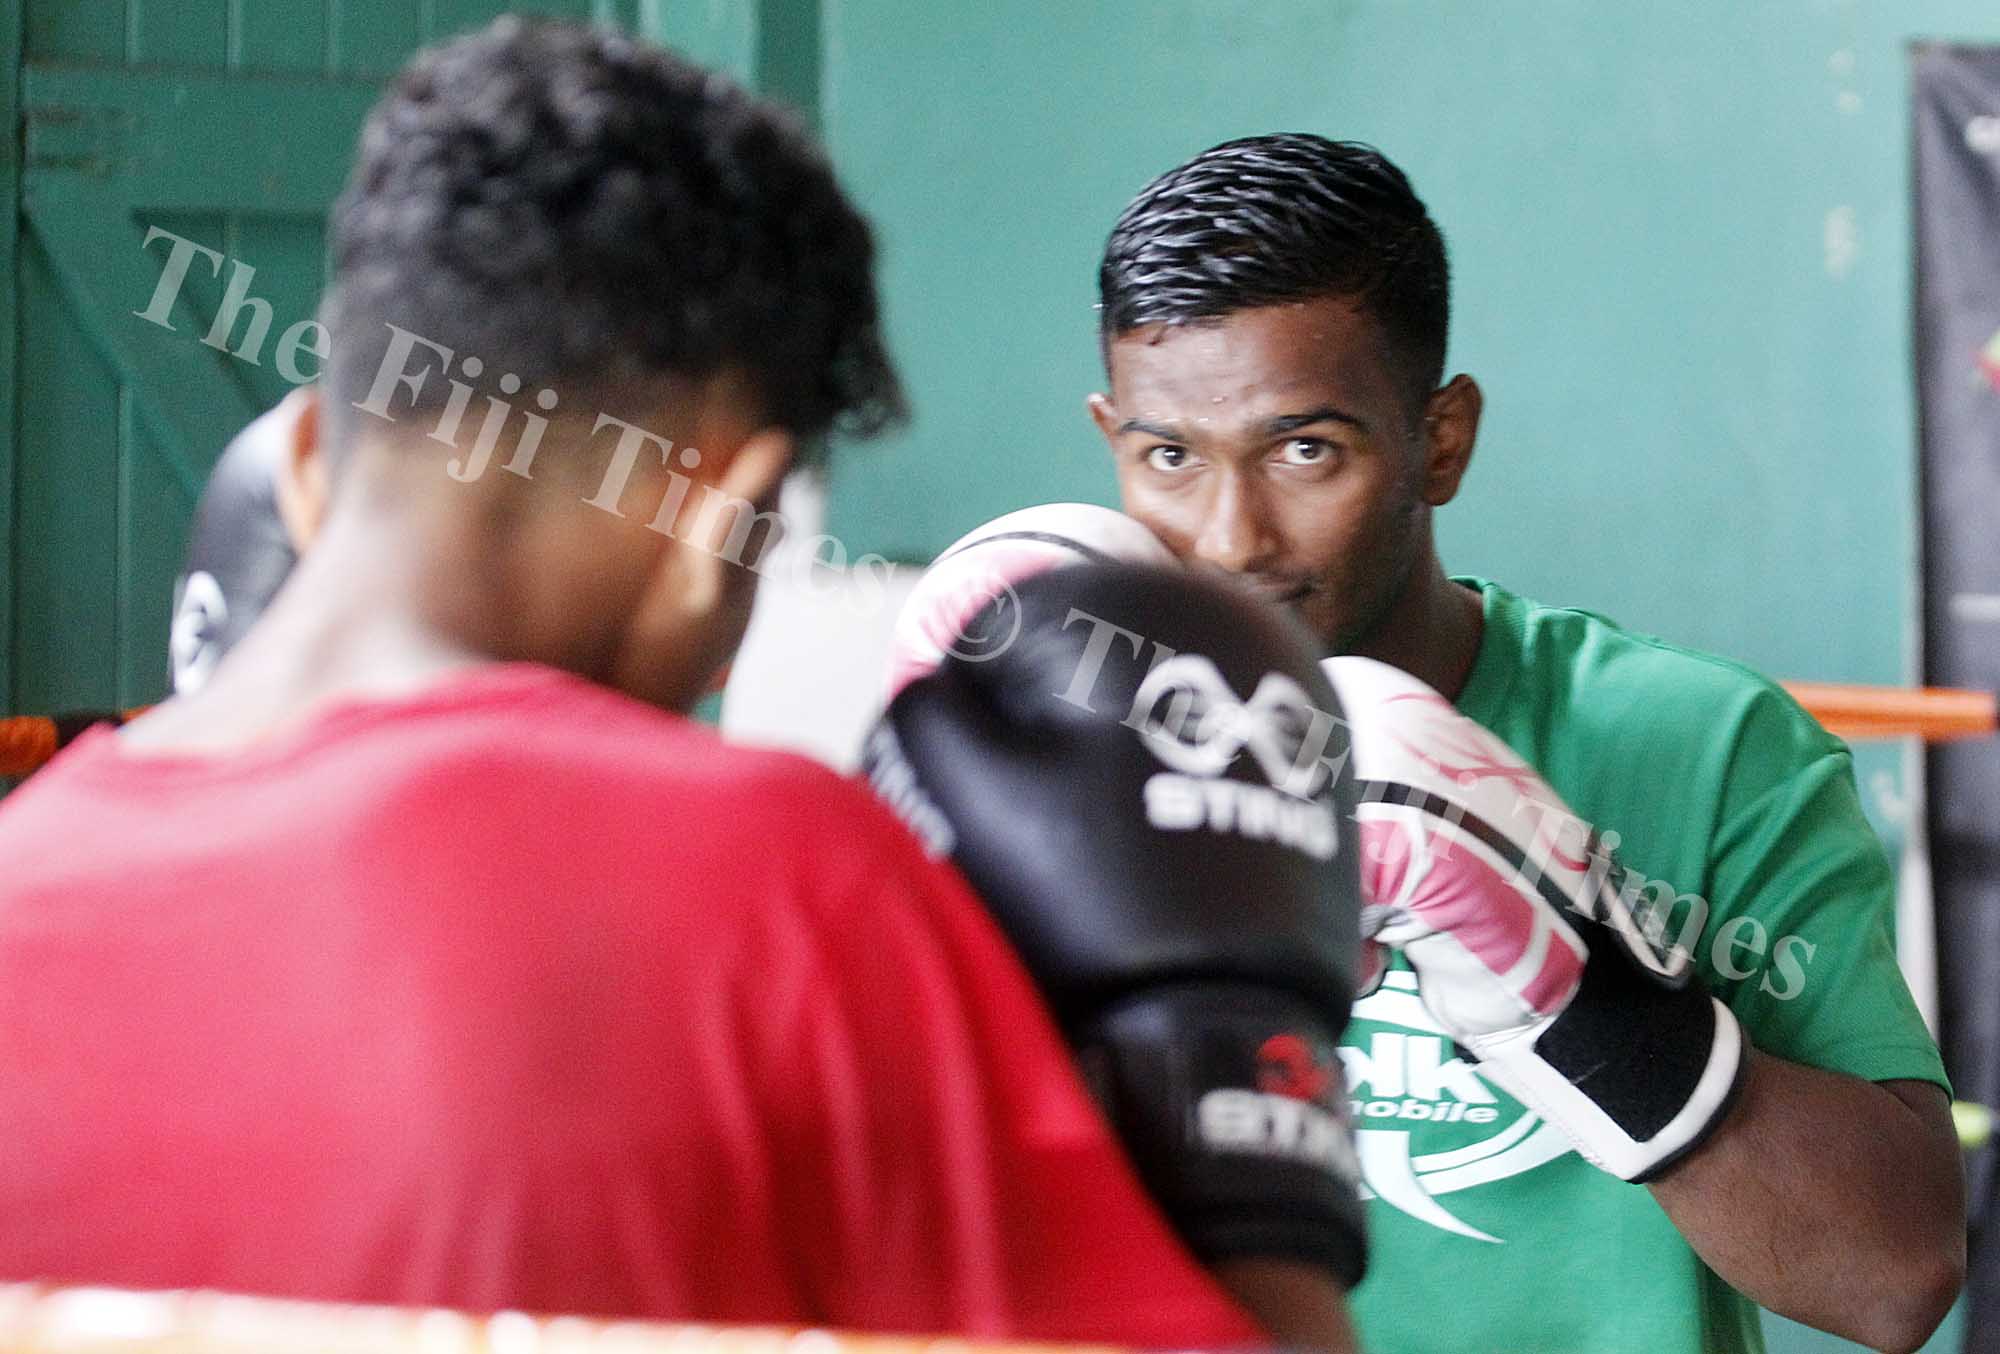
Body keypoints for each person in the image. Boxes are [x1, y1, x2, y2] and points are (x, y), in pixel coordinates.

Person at [0, 28, 1363, 1348]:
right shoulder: (779, 886)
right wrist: (1228, 1083)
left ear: (302, 453)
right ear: (736, 517)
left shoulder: (24, 865)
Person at [1086, 132, 1966, 1354]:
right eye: (1169, 457)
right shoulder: (1072, 746)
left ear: (1438, 439)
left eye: (1304, 450)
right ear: (1109, 437)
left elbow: (1893, 1278)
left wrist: (1570, 983)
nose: (1231, 538)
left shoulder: (1702, 747)